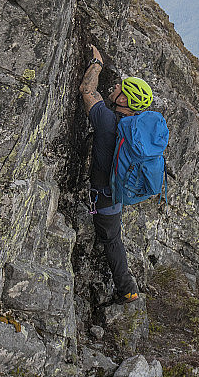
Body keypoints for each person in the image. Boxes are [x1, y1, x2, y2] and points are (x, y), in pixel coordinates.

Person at [79, 44, 153, 304]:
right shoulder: (133, 127)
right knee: (113, 235)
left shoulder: (107, 121)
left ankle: (127, 288)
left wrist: (96, 64)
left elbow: (88, 91)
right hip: (118, 192)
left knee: (111, 241)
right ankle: (126, 286)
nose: (116, 88)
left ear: (123, 100)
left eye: (121, 87)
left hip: (104, 198)